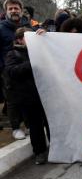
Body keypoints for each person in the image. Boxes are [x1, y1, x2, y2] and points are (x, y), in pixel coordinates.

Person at [4, 27, 49, 164]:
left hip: (46, 94)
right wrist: (31, 64)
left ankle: (58, 147)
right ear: (19, 40)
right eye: (27, 37)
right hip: (28, 97)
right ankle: (40, 152)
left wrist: (45, 35)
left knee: (50, 122)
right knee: (35, 126)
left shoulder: (39, 49)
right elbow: (12, 71)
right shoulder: (13, 54)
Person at [0, 0, 31, 140]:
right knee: (12, 101)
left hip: (27, 68)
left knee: (29, 97)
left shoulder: (29, 25)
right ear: (6, 11)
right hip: (8, 71)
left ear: (21, 10)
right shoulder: (1, 28)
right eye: (10, 8)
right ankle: (16, 128)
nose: (13, 11)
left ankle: (30, 124)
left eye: (16, 8)